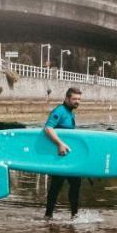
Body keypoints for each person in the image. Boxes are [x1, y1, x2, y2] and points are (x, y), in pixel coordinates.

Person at [43, 88, 82, 221]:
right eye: (75, 99)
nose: (77, 101)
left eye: (79, 99)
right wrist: (59, 144)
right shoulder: (59, 111)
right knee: (56, 187)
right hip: (59, 157)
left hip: (68, 158)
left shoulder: (70, 113)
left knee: (76, 184)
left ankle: (74, 215)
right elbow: (48, 128)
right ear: (67, 98)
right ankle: (48, 216)